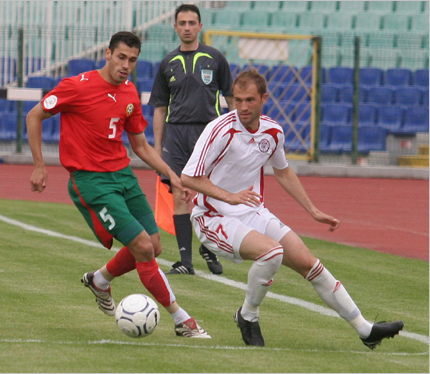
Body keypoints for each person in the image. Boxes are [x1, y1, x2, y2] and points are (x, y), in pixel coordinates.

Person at [180, 69, 404, 348]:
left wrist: (312, 210)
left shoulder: (273, 132)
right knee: (271, 252)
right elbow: (188, 177)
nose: (243, 107)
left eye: (249, 100)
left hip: (251, 211)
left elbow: (283, 172)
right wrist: (230, 196)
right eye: (237, 100)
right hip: (212, 217)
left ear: (264, 98)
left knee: (309, 263)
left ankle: (364, 329)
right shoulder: (220, 130)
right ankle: (247, 316)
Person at [26, 31, 210, 338]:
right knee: (142, 247)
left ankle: (99, 280)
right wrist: (39, 165)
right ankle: (183, 320)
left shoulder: (129, 93)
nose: (126, 65)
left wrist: (172, 176)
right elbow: (34, 116)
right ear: (108, 54)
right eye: (121, 57)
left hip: (123, 176)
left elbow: (140, 145)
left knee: (154, 245)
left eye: (133, 60)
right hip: (91, 181)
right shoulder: (77, 86)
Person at [148, 3, 235, 276]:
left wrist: (235, 137)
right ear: (175, 27)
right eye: (182, 23)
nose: (187, 27)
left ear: (200, 26)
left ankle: (209, 246)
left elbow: (232, 100)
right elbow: (160, 109)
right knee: (180, 195)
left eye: (191, 23)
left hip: (209, 135)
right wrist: (157, 148)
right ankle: (186, 262)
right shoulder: (167, 63)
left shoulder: (216, 58)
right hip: (176, 137)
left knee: (210, 195)